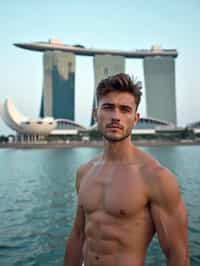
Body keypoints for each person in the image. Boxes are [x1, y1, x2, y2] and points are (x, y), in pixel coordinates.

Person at [64, 73, 190, 266]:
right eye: (108, 107)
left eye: (125, 110)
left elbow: (177, 254)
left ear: (135, 118)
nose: (116, 116)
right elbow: (78, 235)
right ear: (95, 114)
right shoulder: (84, 172)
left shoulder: (156, 177)